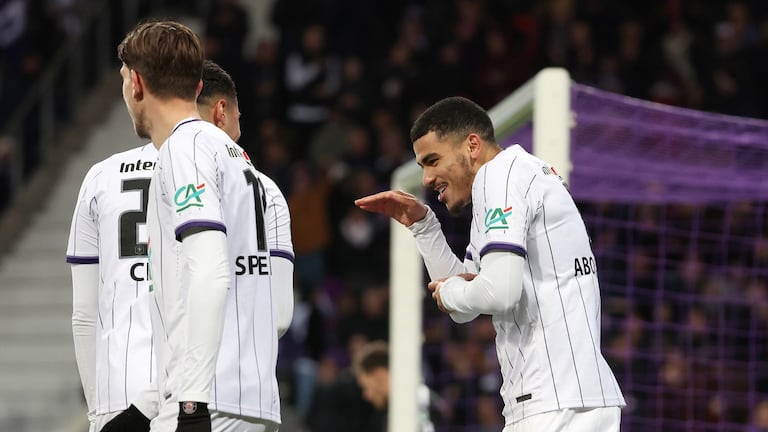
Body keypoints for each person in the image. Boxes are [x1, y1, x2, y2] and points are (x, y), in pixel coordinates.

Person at [354, 96, 625, 431]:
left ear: (471, 145)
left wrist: (452, 292)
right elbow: (468, 301)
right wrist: (424, 227)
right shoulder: (507, 181)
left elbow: (499, 292)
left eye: (433, 160)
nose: (425, 179)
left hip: (556, 402)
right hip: (566, 399)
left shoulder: (500, 176)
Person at [67, 56, 294, 432]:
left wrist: (99, 411)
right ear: (220, 110)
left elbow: (84, 314)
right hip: (221, 390)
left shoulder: (101, 177)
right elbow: (278, 315)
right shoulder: (262, 188)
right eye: (240, 116)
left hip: (134, 390)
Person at [352, 340, 439, 432]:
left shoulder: (417, 404)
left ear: (380, 375)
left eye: (366, 387)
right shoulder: (399, 409)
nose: (366, 395)